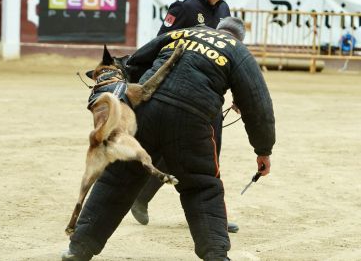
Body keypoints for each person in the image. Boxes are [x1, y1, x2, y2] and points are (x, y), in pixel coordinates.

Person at [62, 17, 276, 261]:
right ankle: (216, 256)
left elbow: (135, 61)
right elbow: (259, 106)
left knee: (117, 179)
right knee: (201, 187)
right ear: (239, 37)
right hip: (191, 120)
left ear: (218, 29)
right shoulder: (239, 52)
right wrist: (263, 150)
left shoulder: (184, 33)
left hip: (145, 110)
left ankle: (78, 249)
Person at [131, 0, 240, 233]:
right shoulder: (185, 7)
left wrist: (238, 93)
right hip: (180, 92)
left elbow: (228, 53)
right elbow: (160, 46)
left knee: (210, 154)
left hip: (211, 95)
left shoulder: (224, 8)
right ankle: (143, 196)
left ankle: (211, 215)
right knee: (179, 150)